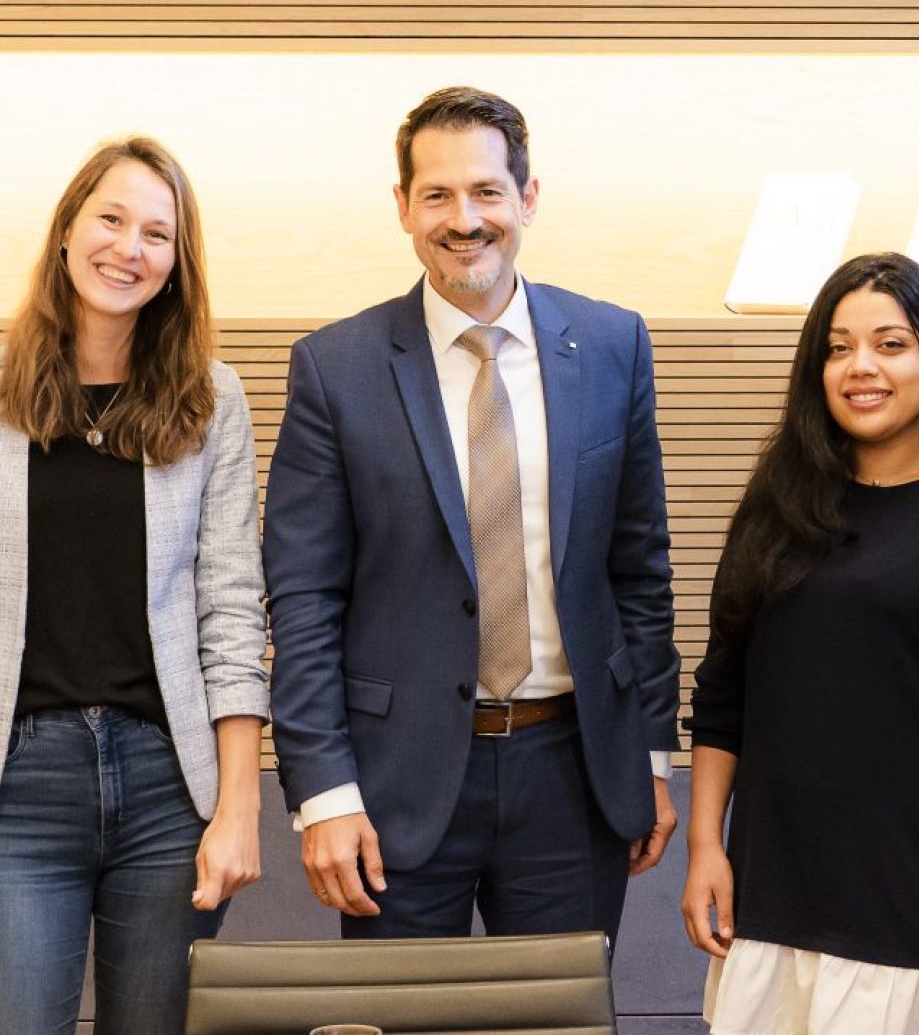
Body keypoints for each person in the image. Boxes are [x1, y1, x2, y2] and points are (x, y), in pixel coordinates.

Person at [264, 85, 679, 938]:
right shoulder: (335, 369)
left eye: (487, 191)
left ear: (527, 198)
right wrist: (323, 791)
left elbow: (639, 571)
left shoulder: (611, 346)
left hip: (574, 773)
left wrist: (649, 752)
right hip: (395, 787)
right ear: (403, 208)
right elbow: (303, 600)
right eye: (438, 195)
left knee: (558, 1026)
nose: (465, 219)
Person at [0, 137, 269, 1033]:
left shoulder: (210, 402)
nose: (128, 249)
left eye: (157, 234)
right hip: (13, 791)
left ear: (177, 266)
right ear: (66, 230)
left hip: (169, 789)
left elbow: (230, 614)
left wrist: (239, 810)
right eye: (111, 218)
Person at [680, 252, 919, 1034]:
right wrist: (705, 849)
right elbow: (723, 699)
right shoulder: (776, 505)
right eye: (838, 347)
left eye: (891, 344)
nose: (862, 367)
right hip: (774, 892)